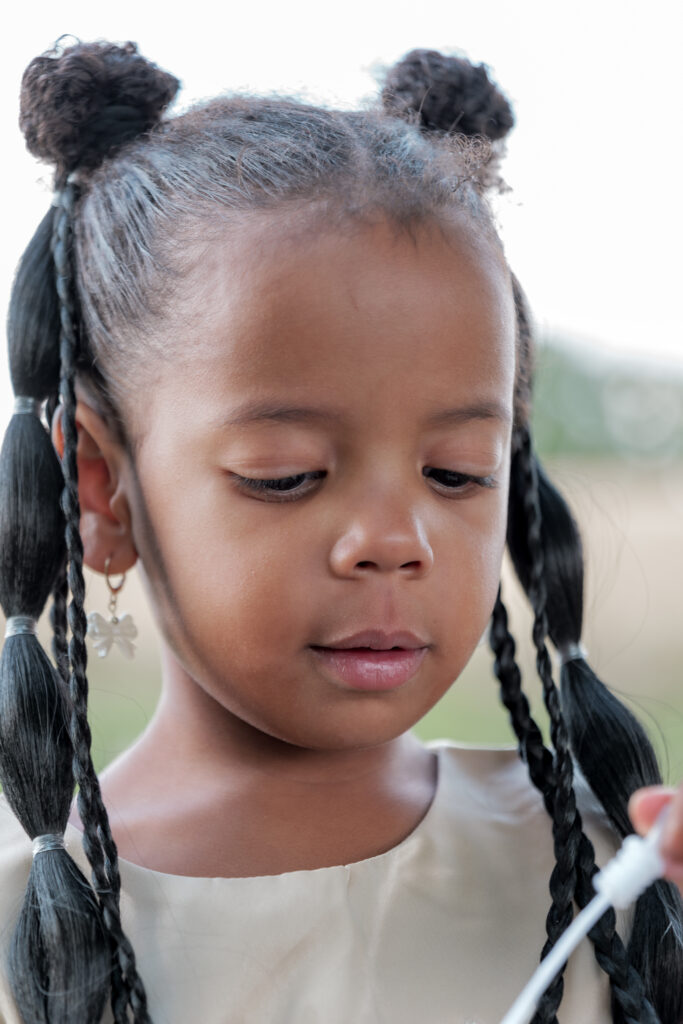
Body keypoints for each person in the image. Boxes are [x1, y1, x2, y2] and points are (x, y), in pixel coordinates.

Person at [0, 38, 681, 1024]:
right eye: (286, 476)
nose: (396, 538)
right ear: (100, 492)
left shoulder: (601, 876)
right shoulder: (26, 936)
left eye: (455, 472)